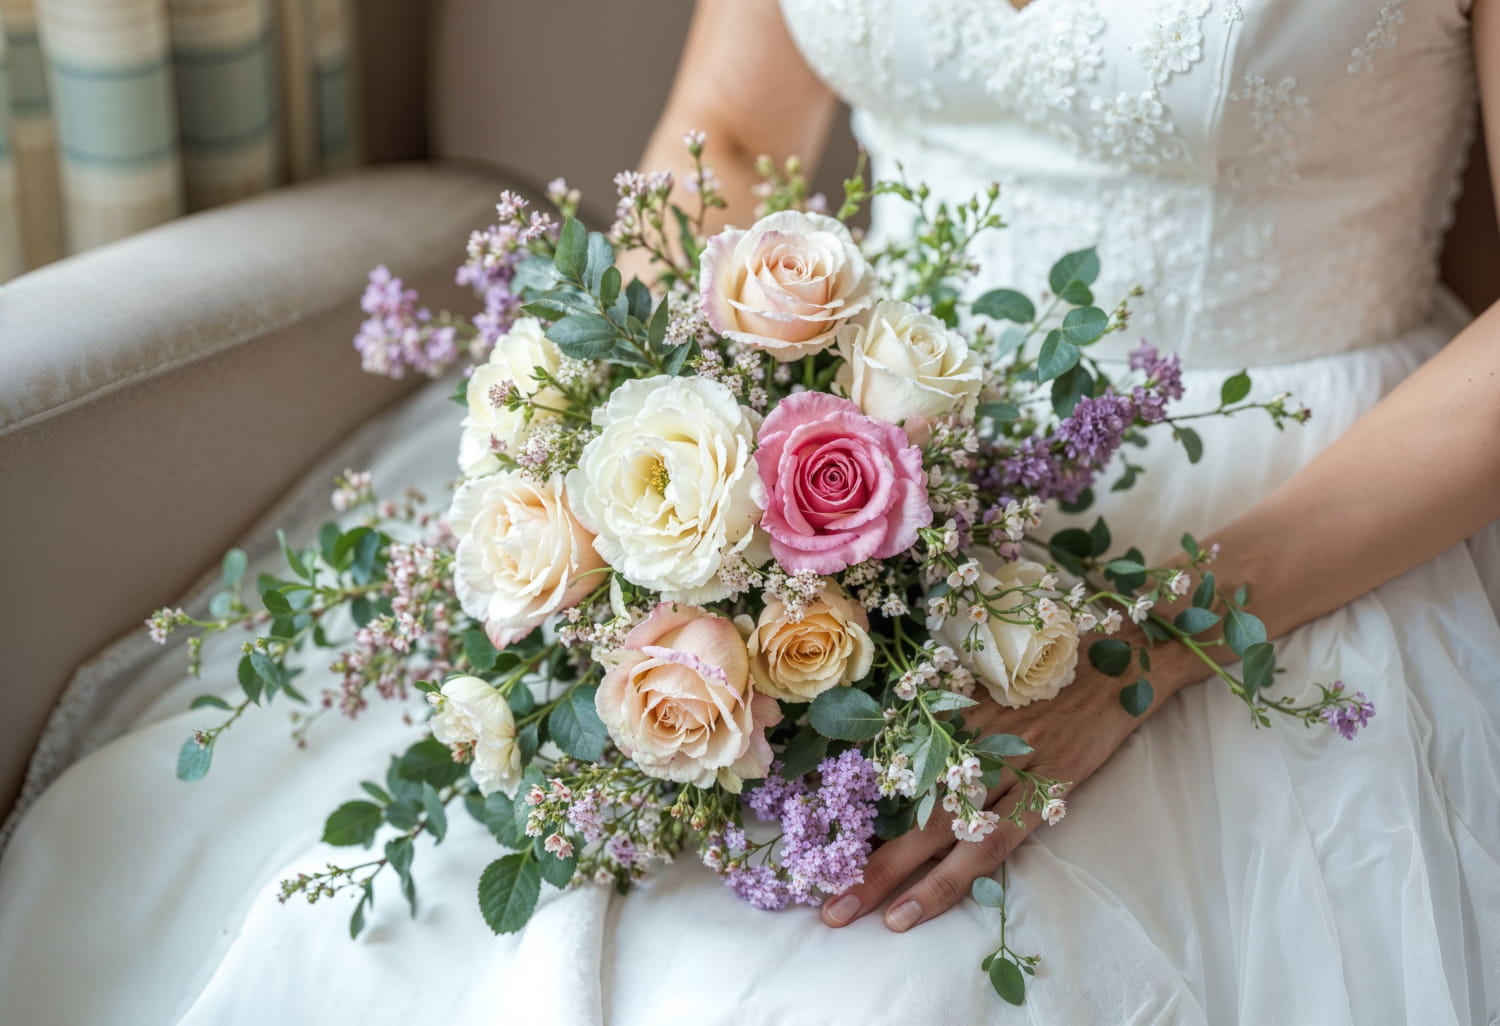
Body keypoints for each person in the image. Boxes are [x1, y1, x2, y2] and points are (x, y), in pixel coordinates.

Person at [1, 1, 1497, 1023]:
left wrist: (1151, 641)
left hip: (1305, 498)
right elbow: (721, 130)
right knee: (386, 921)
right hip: (855, 438)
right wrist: (635, 444)